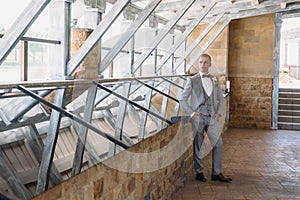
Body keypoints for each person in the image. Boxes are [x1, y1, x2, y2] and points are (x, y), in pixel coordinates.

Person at [179, 53, 232, 182]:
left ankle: (216, 173)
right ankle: (199, 172)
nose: (202, 65)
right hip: (198, 117)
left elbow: (220, 98)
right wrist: (191, 113)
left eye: (205, 62)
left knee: (218, 143)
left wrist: (219, 112)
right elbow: (182, 99)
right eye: (200, 62)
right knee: (198, 145)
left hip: (212, 117)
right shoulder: (192, 80)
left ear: (210, 64)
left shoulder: (214, 79)